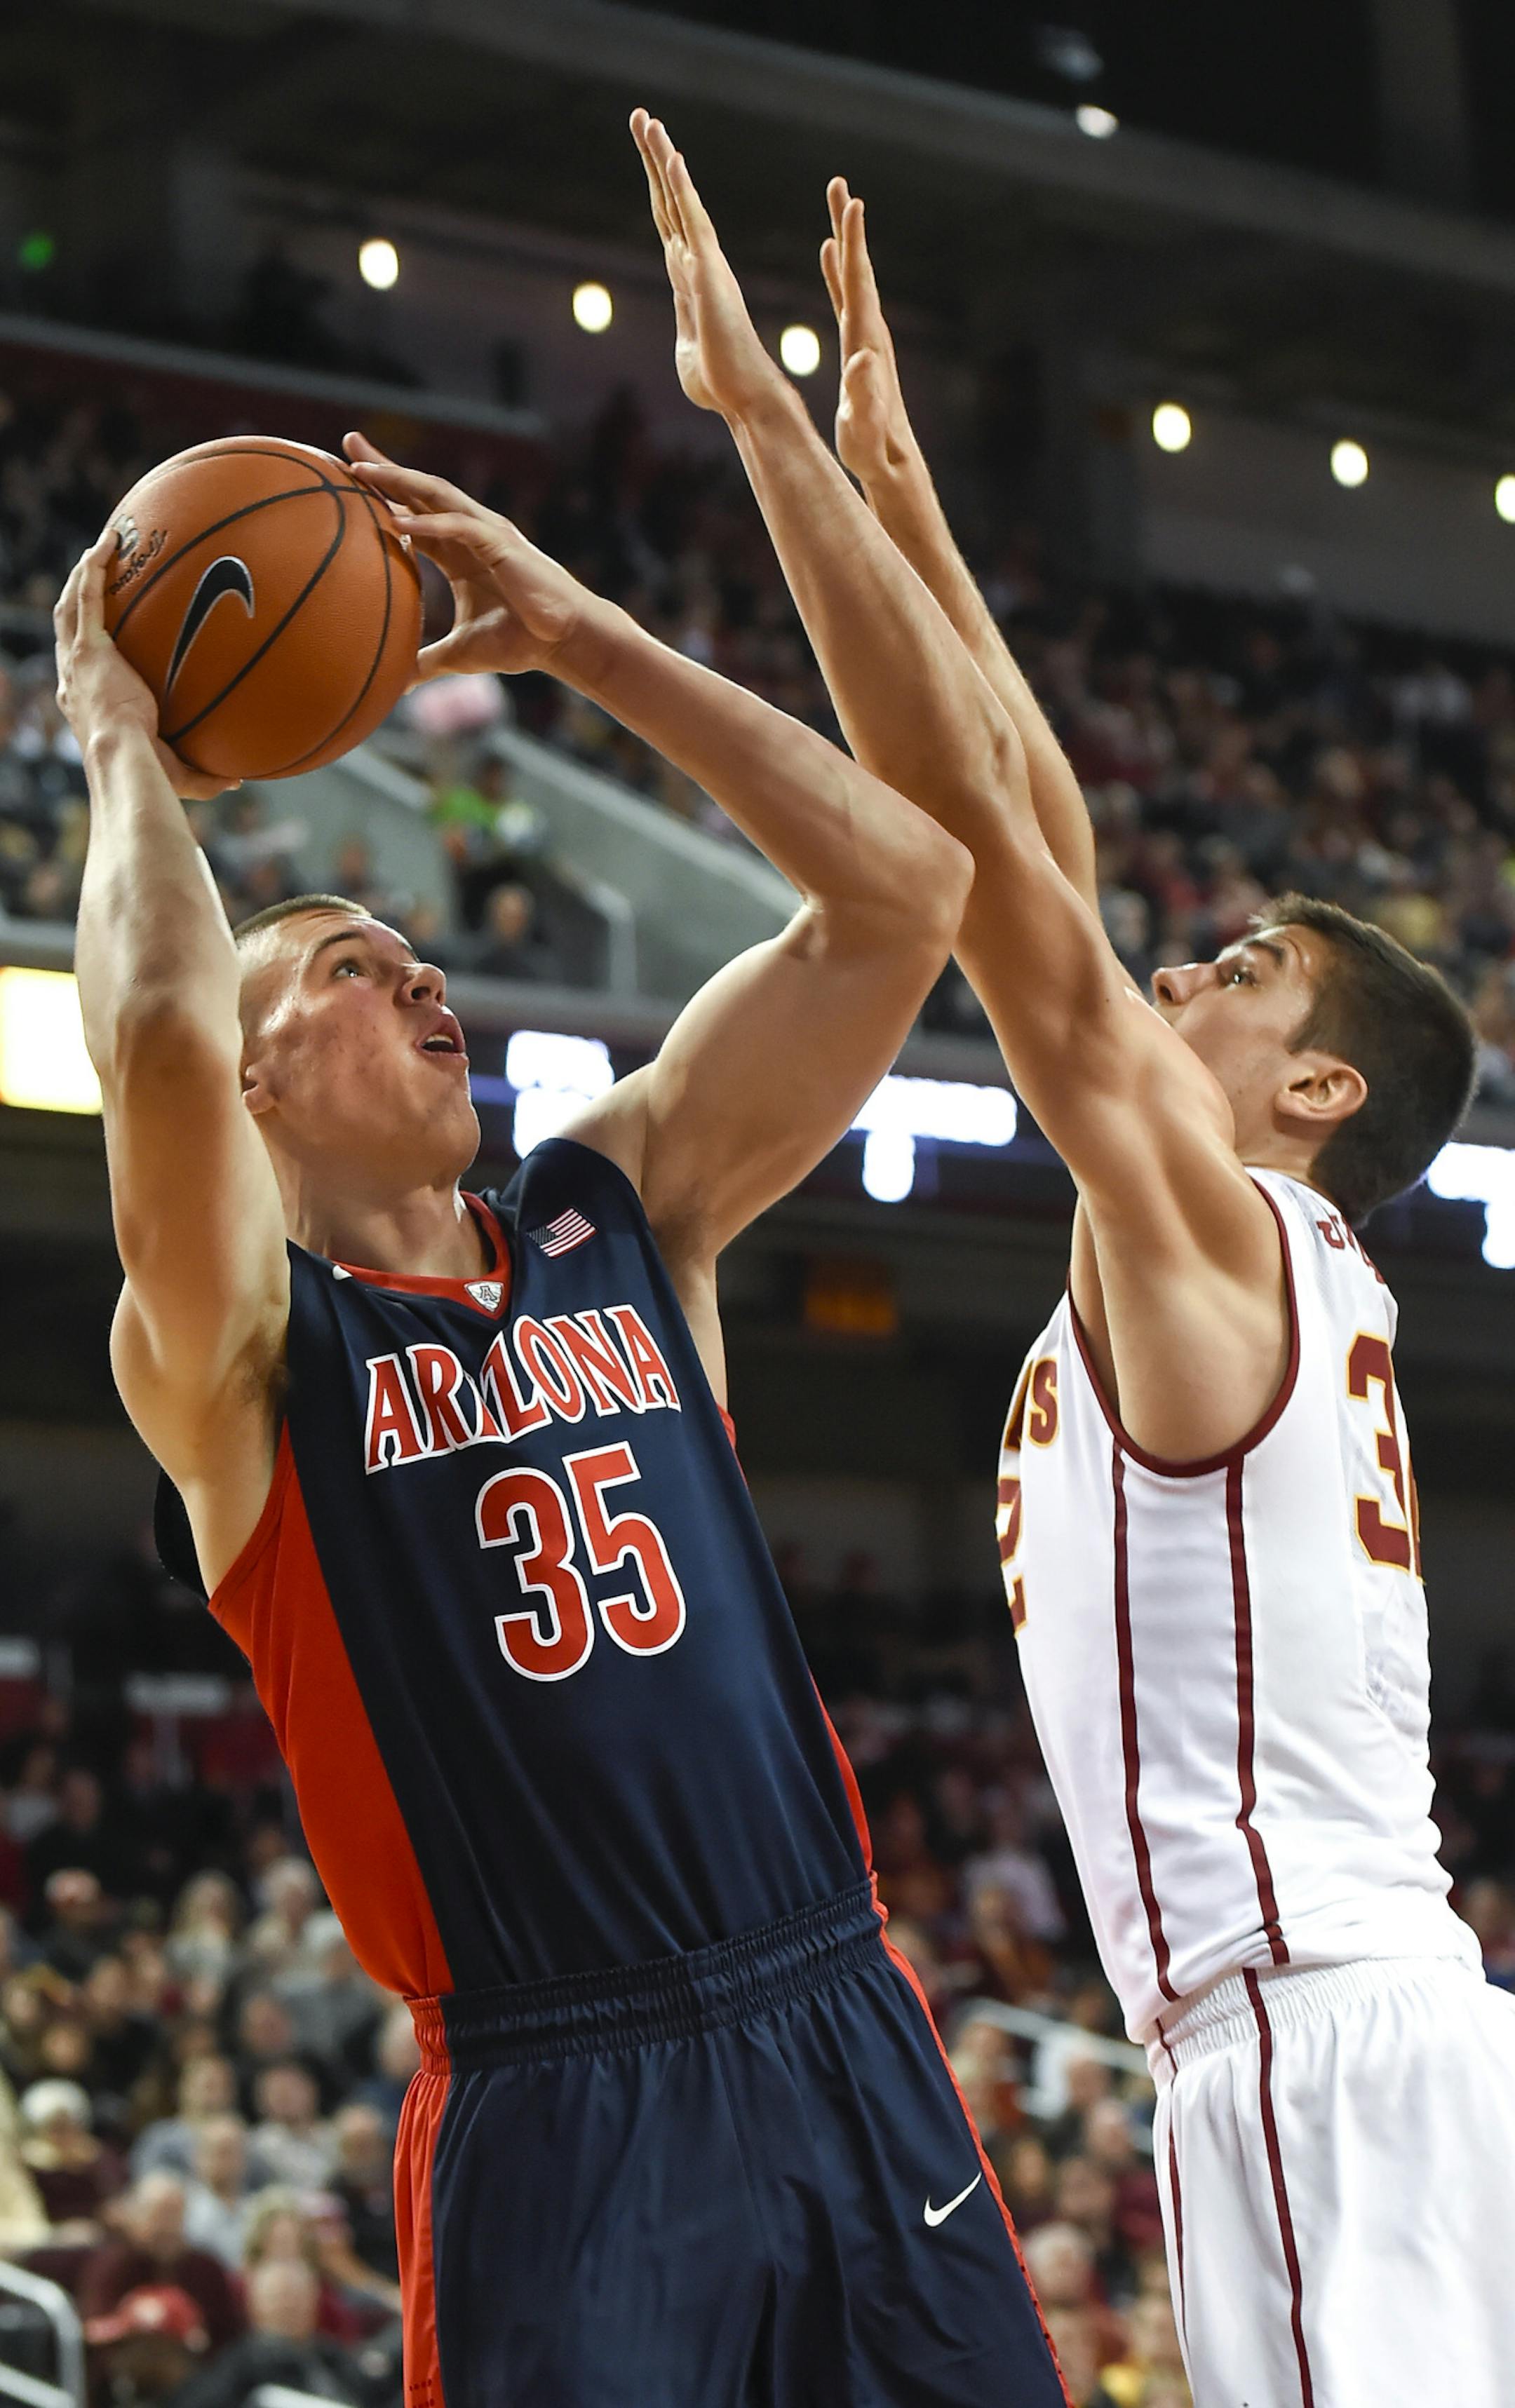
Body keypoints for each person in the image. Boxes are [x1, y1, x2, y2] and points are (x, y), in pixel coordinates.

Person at [55, 372, 1061, 2408]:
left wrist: (584, 632)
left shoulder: (625, 1205)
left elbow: (905, 899)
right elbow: (157, 1031)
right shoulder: (247, 1361)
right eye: (345, 963)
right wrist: (119, 740)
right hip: (556, 2086)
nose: (420, 976)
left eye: (414, 949)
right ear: (261, 1084)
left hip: (835, 2008)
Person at [628, 102, 1515, 2404]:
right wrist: (905, 493)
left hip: (1322, 2054)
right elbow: (1038, 819)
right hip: (1366, 2035)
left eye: (1247, 973)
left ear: (1322, 1092)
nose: (1193, 978)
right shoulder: (1251, 1263)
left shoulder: (1221, 1227)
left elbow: (1005, 882)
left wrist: (763, 448)